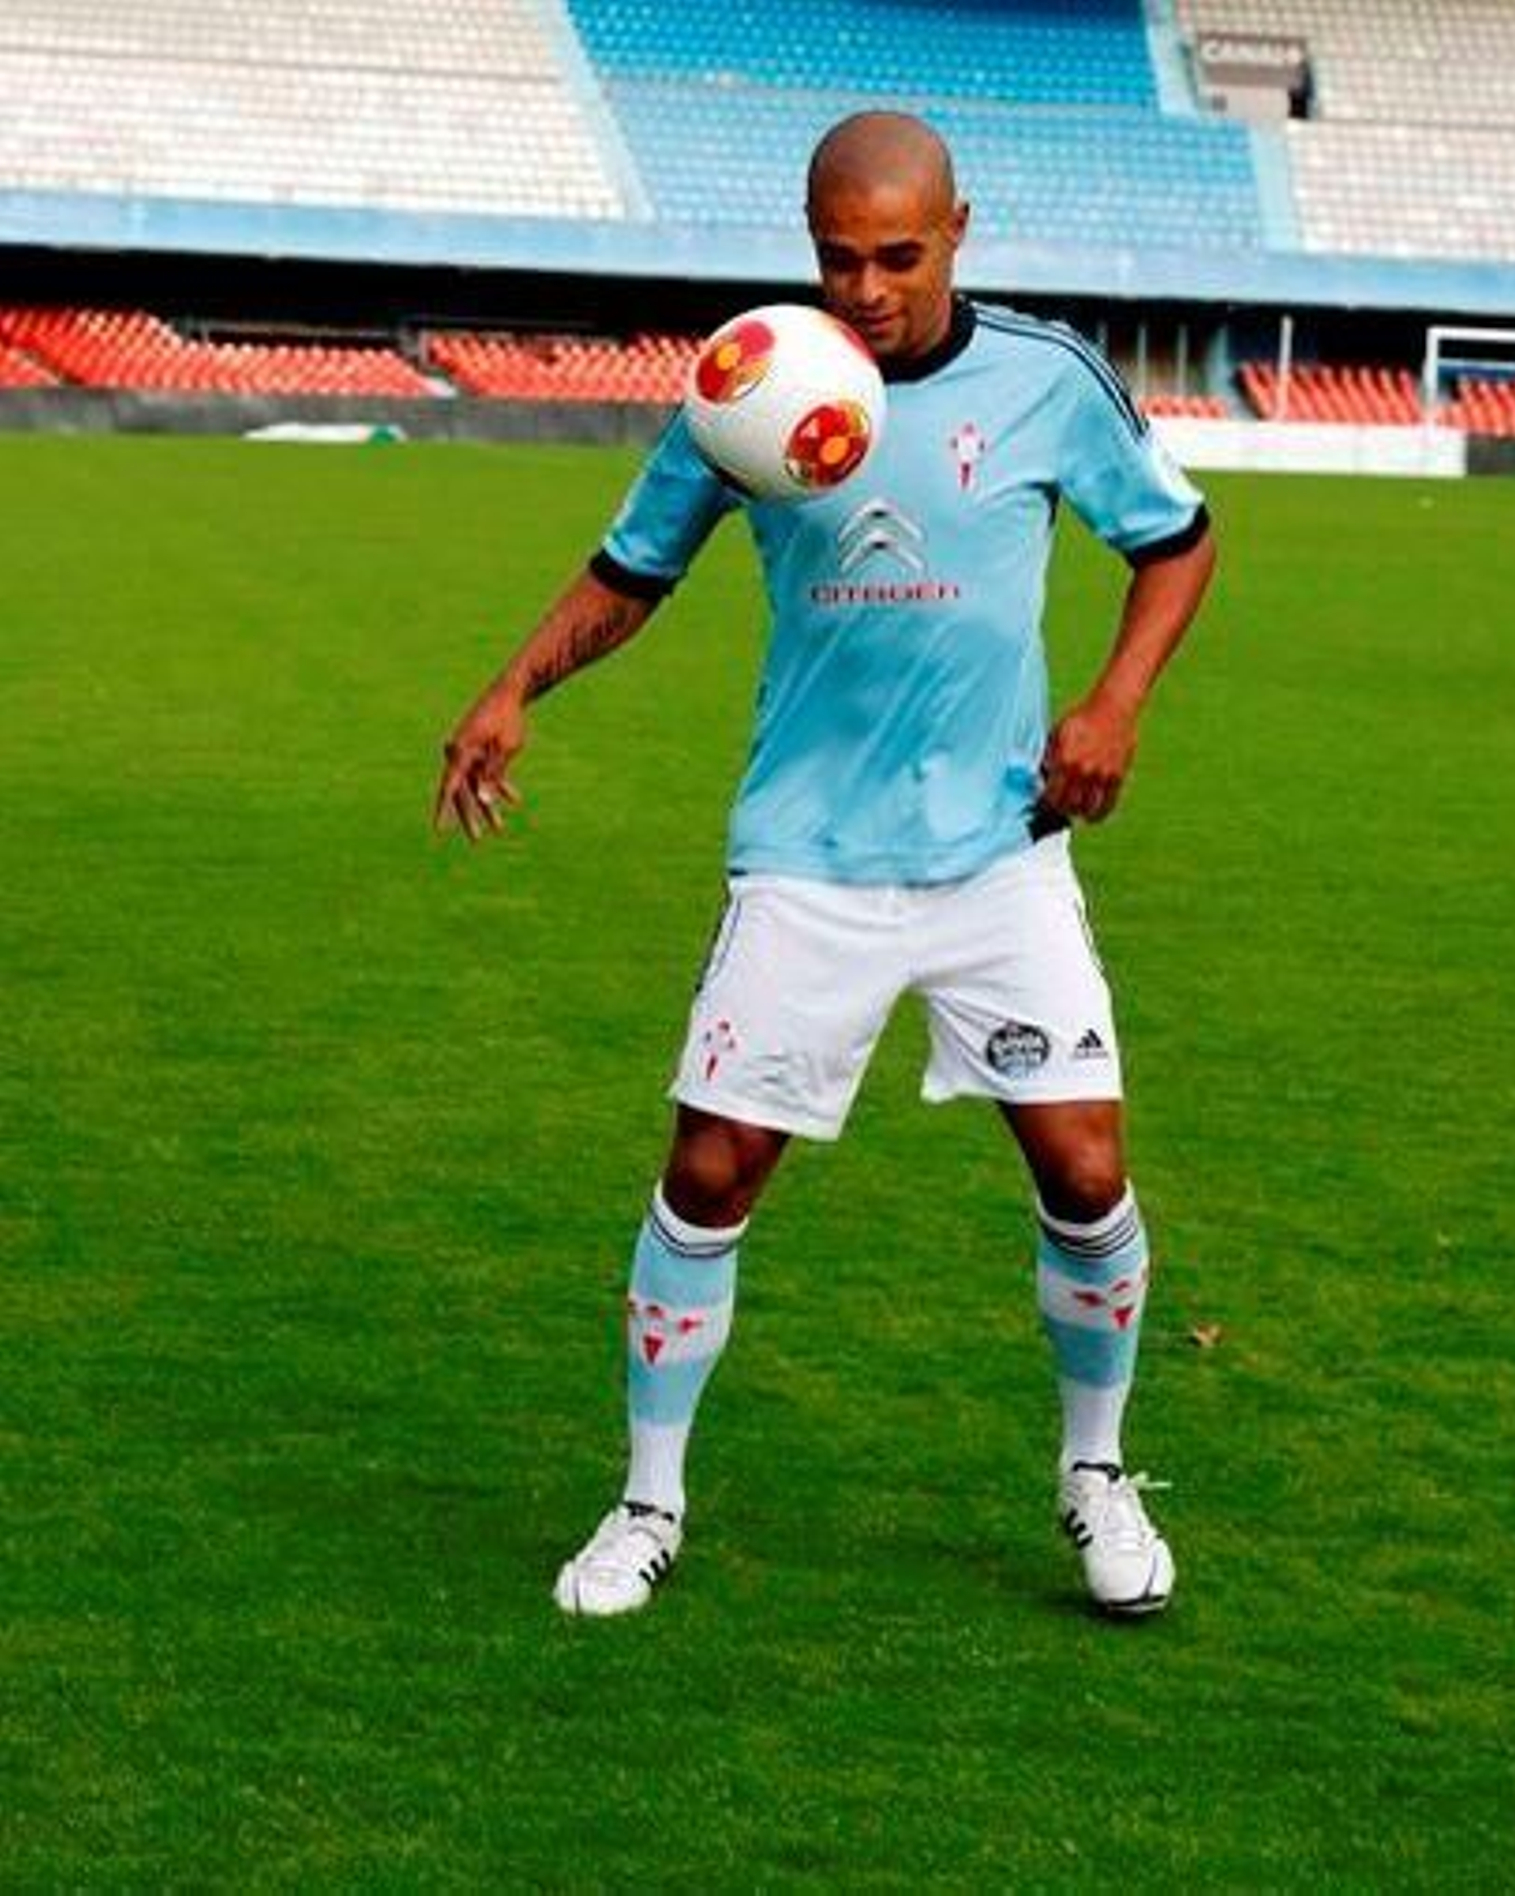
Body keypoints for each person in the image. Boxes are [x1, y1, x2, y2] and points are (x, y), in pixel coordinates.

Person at [435, 111, 1216, 1619]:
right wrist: (512, 688)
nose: (861, 289)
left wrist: (1115, 705)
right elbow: (632, 569)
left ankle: (1097, 1474)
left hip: (1000, 853)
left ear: (959, 230)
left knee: (1088, 1165)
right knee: (711, 1172)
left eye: (896, 256)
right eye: (836, 255)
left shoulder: (1048, 382)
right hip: (808, 860)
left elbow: (1177, 542)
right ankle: (646, 1502)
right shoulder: (753, 385)